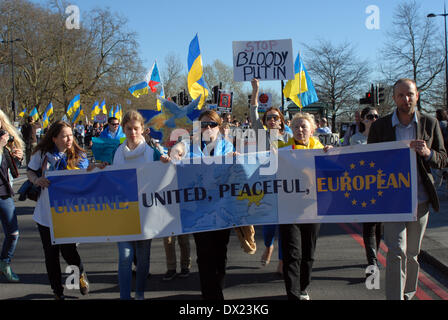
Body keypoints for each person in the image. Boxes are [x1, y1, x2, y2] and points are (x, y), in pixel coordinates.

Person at [368, 78, 447, 300]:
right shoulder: (380, 126)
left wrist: (428, 154)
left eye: (410, 94)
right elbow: (369, 161)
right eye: (401, 95)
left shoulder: (430, 123)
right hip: (393, 201)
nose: (406, 99)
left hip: (420, 200)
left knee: (412, 254)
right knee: (396, 252)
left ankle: (408, 294)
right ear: (394, 98)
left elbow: (442, 158)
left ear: (417, 95)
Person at [27, 121, 99, 300]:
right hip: (45, 214)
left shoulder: (79, 155)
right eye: (64, 136)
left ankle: (79, 274)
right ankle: (57, 291)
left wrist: (93, 170)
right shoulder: (41, 154)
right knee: (50, 255)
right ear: (54, 138)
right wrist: (37, 180)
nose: (69, 139)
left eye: (71, 135)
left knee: (68, 252)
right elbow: (30, 171)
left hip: (68, 215)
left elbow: (85, 179)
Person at [171, 110, 234, 300]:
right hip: (199, 210)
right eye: (204, 125)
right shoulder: (191, 144)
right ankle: (211, 298)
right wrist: (175, 152)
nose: (208, 128)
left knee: (220, 256)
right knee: (204, 256)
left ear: (219, 127)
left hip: (223, 209)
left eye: (212, 124)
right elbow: (178, 149)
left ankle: (217, 289)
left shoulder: (228, 146)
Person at [279, 112, 332, 300]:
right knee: (292, 253)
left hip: (313, 208)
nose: (300, 130)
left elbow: (335, 174)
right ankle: (292, 294)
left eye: (304, 127)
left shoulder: (321, 149)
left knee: (308, 253)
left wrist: (331, 155)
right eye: (296, 127)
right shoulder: (283, 149)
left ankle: (302, 287)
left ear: (312, 129)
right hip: (288, 209)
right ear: (291, 130)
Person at [250, 78, 293, 274]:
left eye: (276, 117)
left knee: (285, 228)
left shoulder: (290, 137)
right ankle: (268, 246)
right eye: (269, 118)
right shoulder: (262, 135)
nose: (272, 120)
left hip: (288, 187)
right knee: (268, 227)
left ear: (282, 120)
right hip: (267, 186)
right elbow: (252, 113)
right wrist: (255, 89)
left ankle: (282, 260)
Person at [349, 107, 383, 273]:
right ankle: (373, 262)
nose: (374, 119)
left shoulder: (386, 138)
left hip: (382, 186)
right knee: (369, 226)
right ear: (363, 119)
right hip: (364, 188)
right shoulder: (356, 139)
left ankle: (374, 253)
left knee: (379, 228)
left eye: (377, 116)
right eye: (370, 116)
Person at [0, 110, 24, 282]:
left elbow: (10, 169)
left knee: (13, 233)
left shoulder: (6, 138)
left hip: (4, 193)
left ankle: (4, 263)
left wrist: (18, 158)